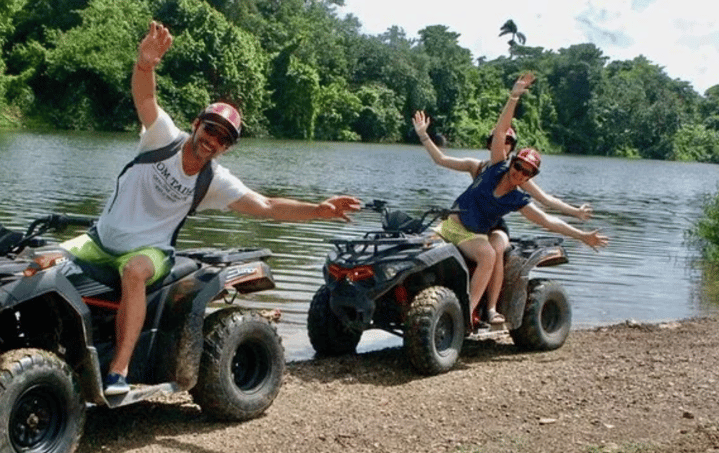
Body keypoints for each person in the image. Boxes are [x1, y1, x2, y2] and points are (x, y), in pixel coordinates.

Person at [63, 21, 361, 396]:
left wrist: (319, 209)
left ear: (226, 148)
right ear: (196, 124)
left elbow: (265, 205)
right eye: (211, 129)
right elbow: (145, 100)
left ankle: (118, 372)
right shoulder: (163, 139)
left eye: (223, 139)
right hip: (99, 240)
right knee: (38, 264)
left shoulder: (214, 181)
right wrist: (145, 65)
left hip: (149, 252)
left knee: (135, 273)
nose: (212, 140)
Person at [412, 73, 607, 326]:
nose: (520, 174)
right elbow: (500, 130)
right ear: (511, 161)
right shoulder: (494, 166)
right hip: (450, 226)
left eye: (527, 172)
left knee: (489, 253)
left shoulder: (518, 197)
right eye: (519, 167)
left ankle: (468, 315)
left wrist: (582, 233)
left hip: (477, 234)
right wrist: (514, 96)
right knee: (414, 250)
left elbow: (548, 217)